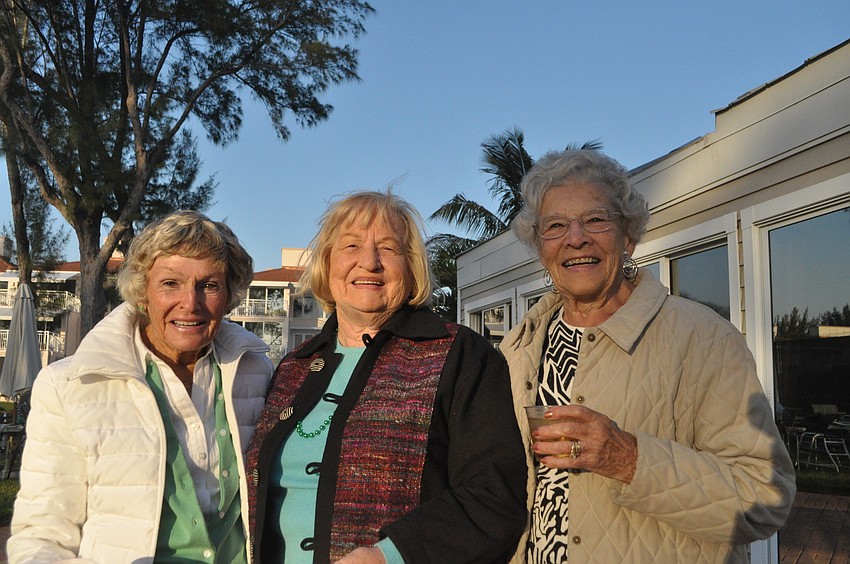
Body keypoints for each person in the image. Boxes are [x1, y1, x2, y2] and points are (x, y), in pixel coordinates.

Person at [502, 149, 796, 563]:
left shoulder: (703, 338)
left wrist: (628, 459)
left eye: (596, 219)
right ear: (540, 246)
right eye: (555, 225)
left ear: (629, 236)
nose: (576, 237)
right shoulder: (519, 346)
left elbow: (765, 498)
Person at [246, 190, 527, 563]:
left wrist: (391, 556)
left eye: (389, 249)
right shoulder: (294, 366)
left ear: (411, 268)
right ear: (327, 265)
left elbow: (494, 495)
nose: (369, 262)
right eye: (350, 246)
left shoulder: (460, 354)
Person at [7, 210, 273, 563]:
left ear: (228, 294)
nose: (190, 304)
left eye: (208, 285)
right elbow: (43, 534)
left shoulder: (256, 371)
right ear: (142, 290)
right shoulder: (69, 385)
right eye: (170, 283)